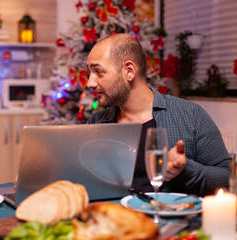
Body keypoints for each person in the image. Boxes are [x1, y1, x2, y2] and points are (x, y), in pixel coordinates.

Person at [86, 33, 230, 196]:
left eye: (98, 71)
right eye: (90, 73)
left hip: (168, 219)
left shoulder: (191, 115)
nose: (90, 82)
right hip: (116, 218)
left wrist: (184, 170)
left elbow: (226, 177)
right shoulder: (96, 123)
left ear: (129, 71)